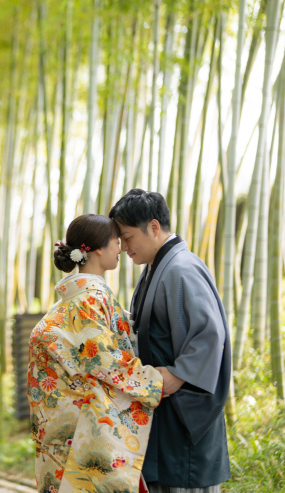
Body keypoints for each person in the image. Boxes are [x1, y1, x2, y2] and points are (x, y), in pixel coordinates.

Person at [28, 214, 163, 493]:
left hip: (64, 425)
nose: (122, 249)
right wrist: (157, 382)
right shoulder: (89, 299)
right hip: (81, 429)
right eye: (117, 241)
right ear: (99, 248)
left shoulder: (76, 299)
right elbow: (103, 360)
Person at [109, 189, 232, 493]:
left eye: (127, 237)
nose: (123, 248)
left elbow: (209, 332)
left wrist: (178, 373)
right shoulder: (156, 267)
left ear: (153, 227)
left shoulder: (181, 268)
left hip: (184, 413)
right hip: (164, 412)